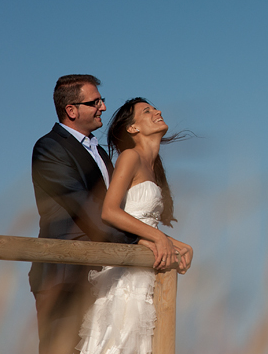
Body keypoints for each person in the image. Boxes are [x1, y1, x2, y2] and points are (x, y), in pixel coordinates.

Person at [30, 75, 140, 354]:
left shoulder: (100, 152)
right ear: (71, 110)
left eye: (101, 100)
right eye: (95, 102)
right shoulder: (49, 148)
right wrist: (137, 242)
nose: (103, 106)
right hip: (64, 276)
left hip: (103, 274)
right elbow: (83, 207)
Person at [77, 97, 193, 354]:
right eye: (147, 111)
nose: (158, 111)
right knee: (120, 342)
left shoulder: (154, 167)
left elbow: (140, 220)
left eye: (155, 108)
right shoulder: (130, 156)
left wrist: (177, 244)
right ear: (133, 128)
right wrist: (160, 238)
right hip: (127, 273)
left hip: (145, 271)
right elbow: (110, 212)